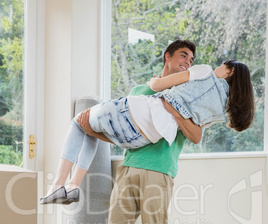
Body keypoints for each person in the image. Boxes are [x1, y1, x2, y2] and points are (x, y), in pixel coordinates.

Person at [40, 57, 254, 206]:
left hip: (135, 112)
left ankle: (58, 184)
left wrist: (153, 81)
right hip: (142, 138)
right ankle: (73, 186)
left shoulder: (205, 71)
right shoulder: (218, 112)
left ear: (230, 70)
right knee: (87, 129)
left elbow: (160, 84)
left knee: (78, 123)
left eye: (222, 65)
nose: (218, 67)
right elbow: (194, 132)